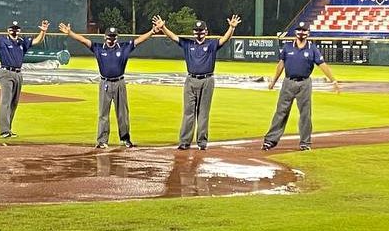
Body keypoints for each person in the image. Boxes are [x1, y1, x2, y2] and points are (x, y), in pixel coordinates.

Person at [57, 22, 158, 149]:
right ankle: (102, 140)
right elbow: (84, 40)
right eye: (110, 37)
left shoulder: (124, 47)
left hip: (119, 83)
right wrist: (70, 33)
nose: (112, 39)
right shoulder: (98, 48)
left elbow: (139, 40)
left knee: (122, 113)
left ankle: (125, 139)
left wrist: (152, 31)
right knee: (103, 114)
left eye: (114, 37)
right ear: (105, 37)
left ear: (117, 37)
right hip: (105, 83)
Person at [153, 14, 241, 150]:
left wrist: (232, 28)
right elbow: (173, 37)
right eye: (196, 31)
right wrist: (163, 27)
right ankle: (184, 142)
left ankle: (202, 142)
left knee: (203, 113)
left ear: (206, 32)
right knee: (188, 112)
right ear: (193, 32)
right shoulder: (188, 44)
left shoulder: (211, 44)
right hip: (191, 80)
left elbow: (225, 39)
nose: (198, 33)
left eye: (201, 31)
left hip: (207, 80)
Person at [262, 21, 342, 151]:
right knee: (281, 112)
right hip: (288, 82)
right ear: (295, 32)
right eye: (299, 30)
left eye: (304, 30)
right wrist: (273, 81)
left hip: (304, 83)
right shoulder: (287, 47)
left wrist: (333, 81)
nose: (302, 33)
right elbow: (280, 65)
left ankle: (305, 143)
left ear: (308, 33)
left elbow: (323, 65)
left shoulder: (312, 48)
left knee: (305, 114)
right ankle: (270, 141)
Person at [0, 17, 49, 138]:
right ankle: (4, 130)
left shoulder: (23, 42)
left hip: (18, 73)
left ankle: (9, 129)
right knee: (5, 101)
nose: (14, 31)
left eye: (16, 29)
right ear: (8, 30)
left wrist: (43, 31)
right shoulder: (3, 41)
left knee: (14, 103)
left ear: (19, 30)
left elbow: (37, 41)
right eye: (12, 29)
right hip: (6, 73)